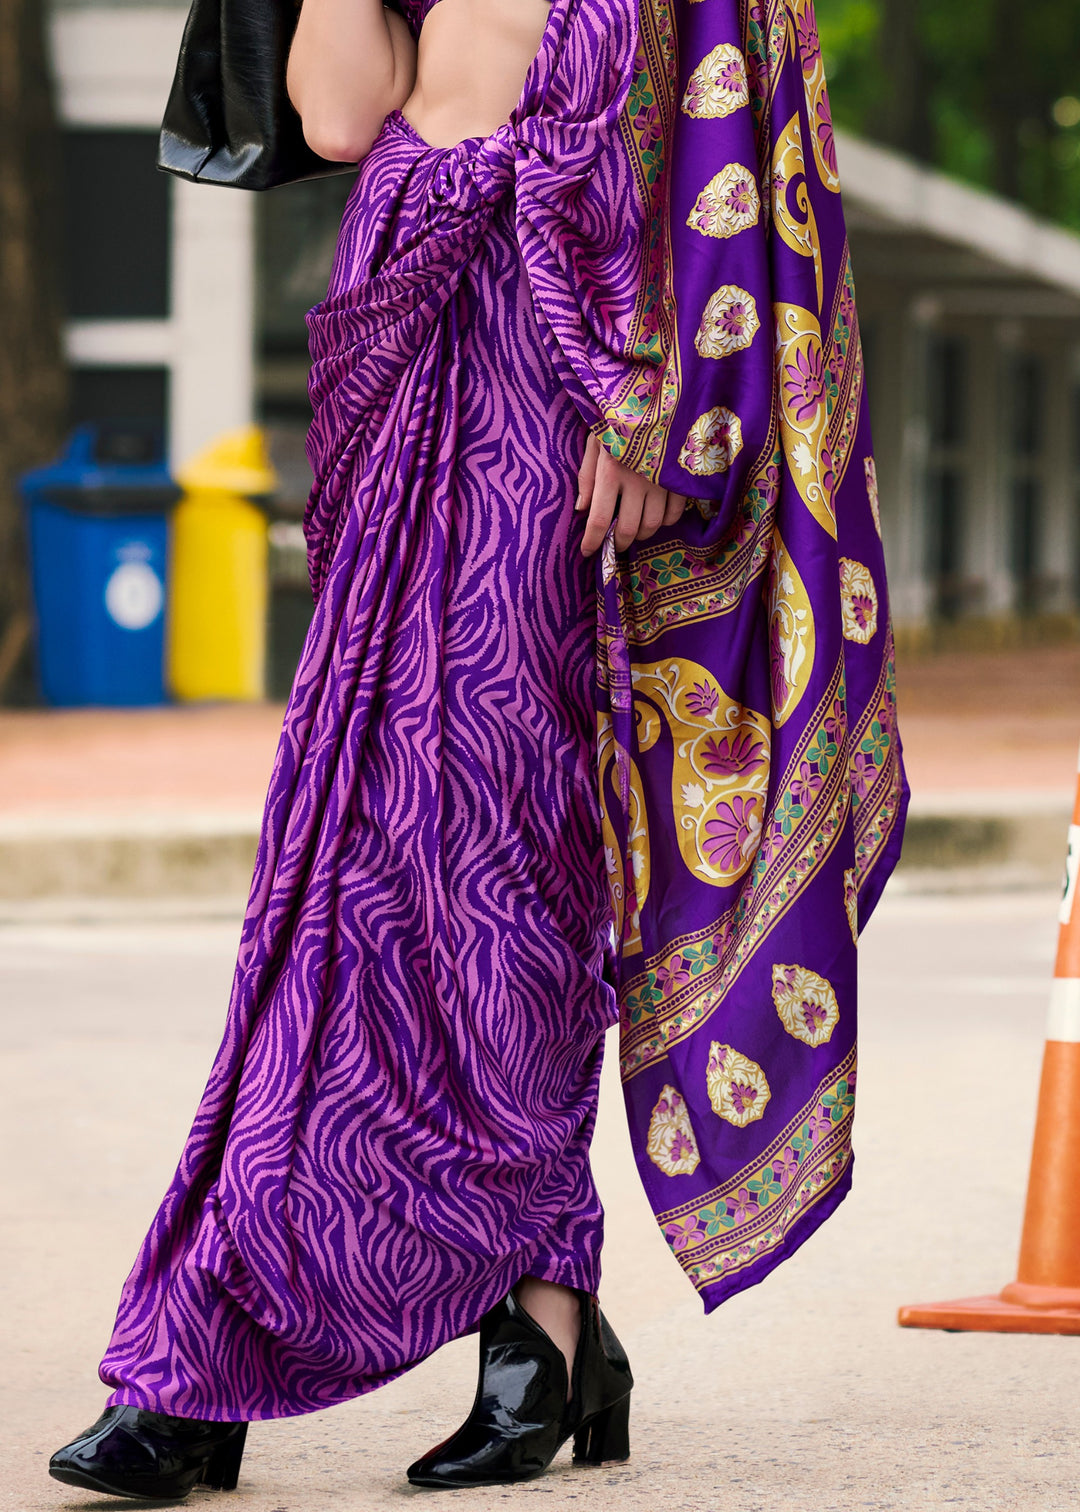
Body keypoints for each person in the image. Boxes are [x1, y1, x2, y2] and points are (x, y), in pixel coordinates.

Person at [49, 0, 907, 1497]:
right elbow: (333, 116)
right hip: (410, 358)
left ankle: (519, 1321)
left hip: (568, 384)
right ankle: (247, 1346)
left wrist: (660, 406)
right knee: (340, 869)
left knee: (502, 859)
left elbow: (737, 162)